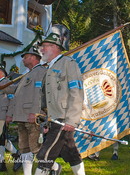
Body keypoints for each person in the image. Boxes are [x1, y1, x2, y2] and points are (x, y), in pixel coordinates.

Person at [34, 33, 85, 175]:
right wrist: (46, 120)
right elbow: (47, 98)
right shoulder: (49, 68)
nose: (41, 49)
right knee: (70, 152)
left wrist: (72, 120)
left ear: (55, 47)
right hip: (54, 119)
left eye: (44, 46)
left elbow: (77, 91)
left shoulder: (69, 63)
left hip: (63, 119)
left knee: (45, 155)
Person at [4, 47, 47, 175]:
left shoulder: (40, 71)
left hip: (32, 116)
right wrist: (3, 80)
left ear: (33, 57)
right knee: (24, 148)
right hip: (22, 116)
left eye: (25, 57)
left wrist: (34, 112)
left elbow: (39, 93)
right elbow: (13, 90)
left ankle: (54, 167)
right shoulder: (27, 73)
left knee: (36, 148)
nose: (22, 59)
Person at [0, 63, 22, 172]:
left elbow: (12, 98)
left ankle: (15, 155)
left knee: (2, 139)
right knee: (1, 139)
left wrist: (9, 114)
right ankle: (3, 162)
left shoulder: (6, 83)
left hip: (2, 115)